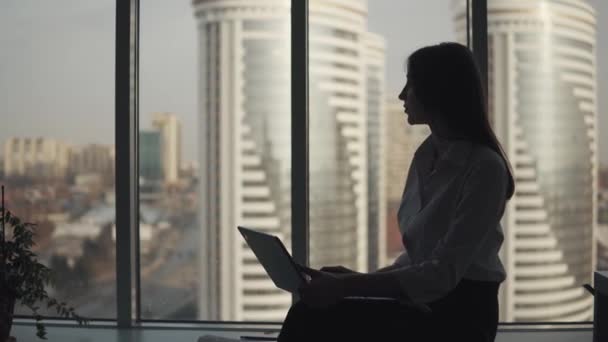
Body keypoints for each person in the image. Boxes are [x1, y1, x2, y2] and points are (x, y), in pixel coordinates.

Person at [277, 42, 515, 342]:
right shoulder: (426, 156)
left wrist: (348, 286)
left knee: (313, 314)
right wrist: (352, 281)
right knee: (321, 295)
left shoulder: (485, 168)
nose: (402, 95)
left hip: (459, 316)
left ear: (437, 91)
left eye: (410, 85)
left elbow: (441, 274)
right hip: (423, 302)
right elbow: (416, 261)